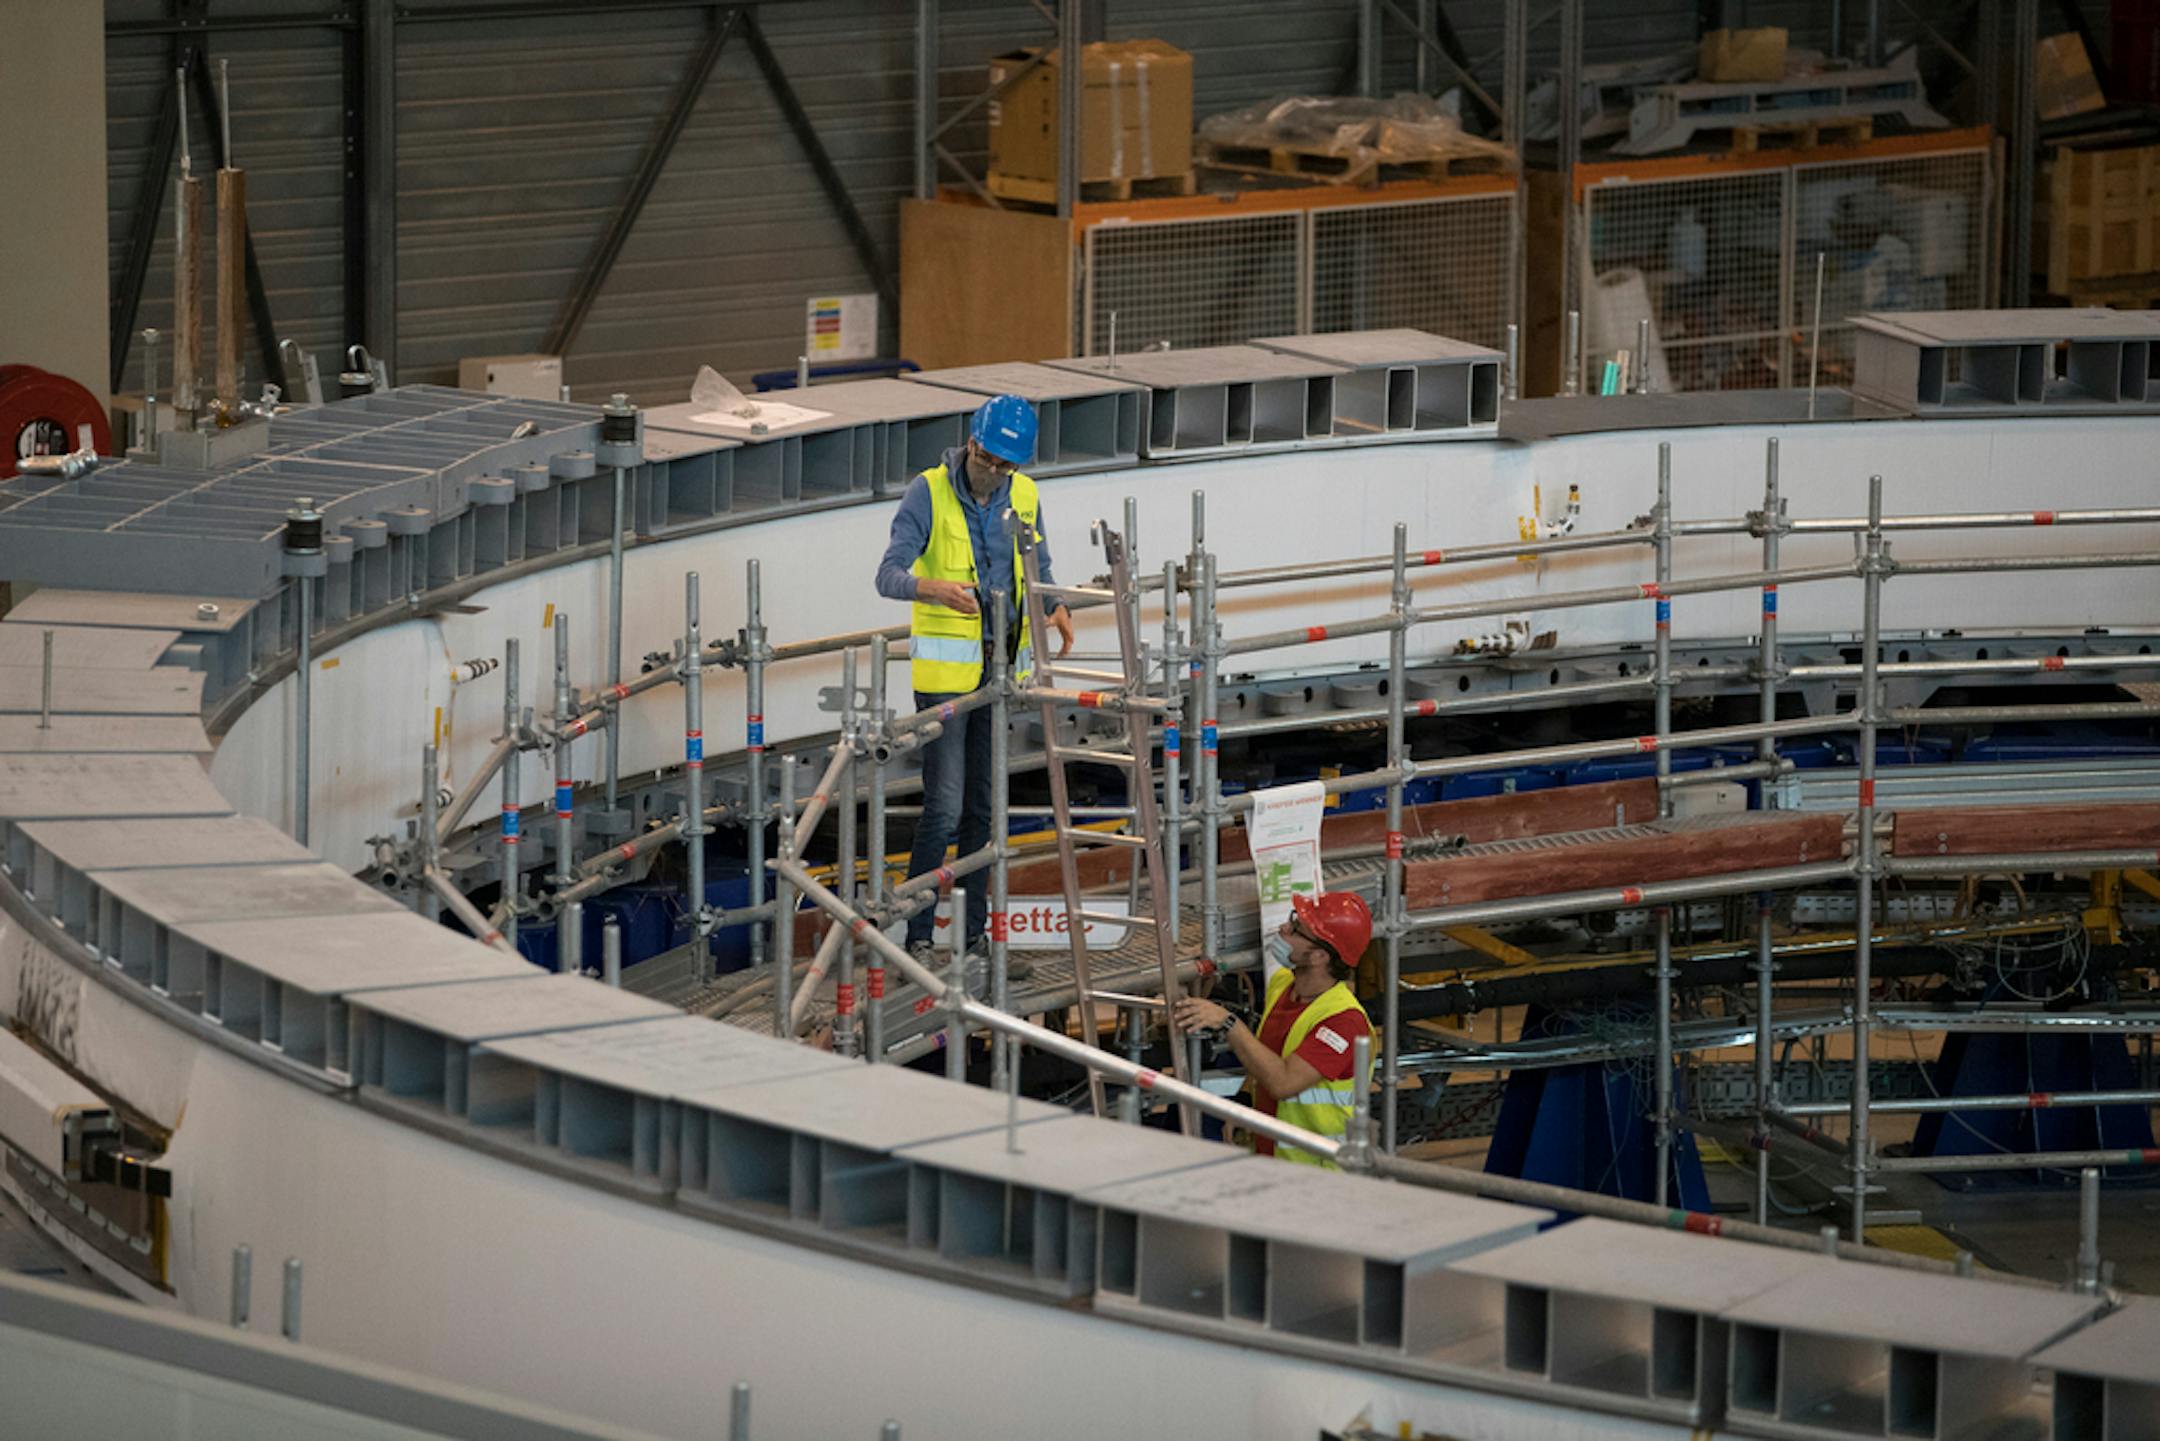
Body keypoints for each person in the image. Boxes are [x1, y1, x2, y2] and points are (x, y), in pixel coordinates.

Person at [875, 394, 1074, 973]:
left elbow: (1037, 565)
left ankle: (972, 939)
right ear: (971, 444)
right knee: (943, 807)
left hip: (998, 677)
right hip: (945, 684)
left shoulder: (1026, 494)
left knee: (985, 811)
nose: (996, 474)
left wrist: (1056, 605)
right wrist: (930, 587)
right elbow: (887, 574)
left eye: (1007, 466)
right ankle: (917, 935)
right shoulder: (927, 492)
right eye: (990, 461)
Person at [1170, 890, 1374, 1169]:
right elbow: (1268, 1056)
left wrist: (1228, 1023)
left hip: (1318, 1173)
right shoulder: (1283, 985)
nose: (1283, 928)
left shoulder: (1343, 1022)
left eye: (1296, 929)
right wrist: (1243, 1102)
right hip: (1274, 1160)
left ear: (1318, 956)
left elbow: (1283, 1082)